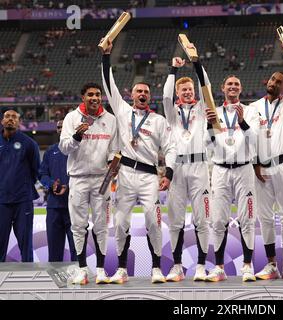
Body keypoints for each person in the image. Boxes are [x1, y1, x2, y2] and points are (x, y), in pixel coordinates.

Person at [100, 39, 176, 284]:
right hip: (124, 175)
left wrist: (170, 173)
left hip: (148, 177)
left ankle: (156, 268)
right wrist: (105, 57)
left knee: (154, 221)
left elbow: (171, 147)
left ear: (149, 96)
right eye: (138, 91)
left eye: (145, 92)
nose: (142, 94)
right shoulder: (122, 111)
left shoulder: (158, 121)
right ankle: (121, 269)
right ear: (131, 95)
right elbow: (108, 85)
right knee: (120, 223)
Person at [250, 32, 283, 280]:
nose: (274, 81)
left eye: (280, 80)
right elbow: (248, 138)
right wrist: (254, 164)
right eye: (272, 78)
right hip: (260, 169)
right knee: (264, 217)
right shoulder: (253, 108)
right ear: (267, 82)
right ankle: (271, 264)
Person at [59, 83, 118, 285]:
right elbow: (64, 148)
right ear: (83, 97)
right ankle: (82, 269)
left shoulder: (110, 120)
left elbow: (114, 147)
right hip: (78, 178)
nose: (94, 97)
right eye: (90, 94)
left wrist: (112, 161)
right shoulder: (71, 118)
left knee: (102, 225)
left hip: (103, 179)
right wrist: (77, 136)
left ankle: (101, 270)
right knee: (78, 226)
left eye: (97, 94)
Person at [204, 74, 260, 282]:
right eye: (229, 84)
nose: (233, 86)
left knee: (247, 219)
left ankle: (247, 265)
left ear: (241, 88)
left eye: (237, 84)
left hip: (244, 170)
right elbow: (207, 145)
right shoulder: (214, 113)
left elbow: (255, 142)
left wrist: (243, 122)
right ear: (223, 88)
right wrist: (210, 125)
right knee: (218, 220)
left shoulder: (251, 111)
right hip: (219, 170)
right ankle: (219, 267)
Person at [162, 54, 210, 282]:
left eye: (190, 89)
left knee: (202, 219)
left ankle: (201, 265)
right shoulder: (171, 114)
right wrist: (173, 71)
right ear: (178, 94)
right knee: (175, 220)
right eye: (184, 90)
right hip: (178, 168)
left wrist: (197, 64)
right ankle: (177, 265)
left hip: (200, 166)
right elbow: (164, 96)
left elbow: (206, 88)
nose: (189, 92)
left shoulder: (202, 109)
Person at [0, 108, 40, 262]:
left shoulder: (29, 144)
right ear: (2, 121)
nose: (10, 119)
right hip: (1, 201)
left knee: (25, 244)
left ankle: (30, 278)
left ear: (19, 122)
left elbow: (37, 170)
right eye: (7, 116)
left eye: (14, 117)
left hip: (23, 201)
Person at [38, 120, 77, 262]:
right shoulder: (50, 151)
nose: (61, 129)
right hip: (54, 207)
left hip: (75, 206)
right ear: (57, 130)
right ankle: (54, 282)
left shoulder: (79, 150)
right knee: (54, 252)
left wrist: (68, 185)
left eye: (64, 126)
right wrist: (51, 184)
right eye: (59, 127)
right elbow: (42, 174)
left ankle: (79, 278)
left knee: (77, 250)